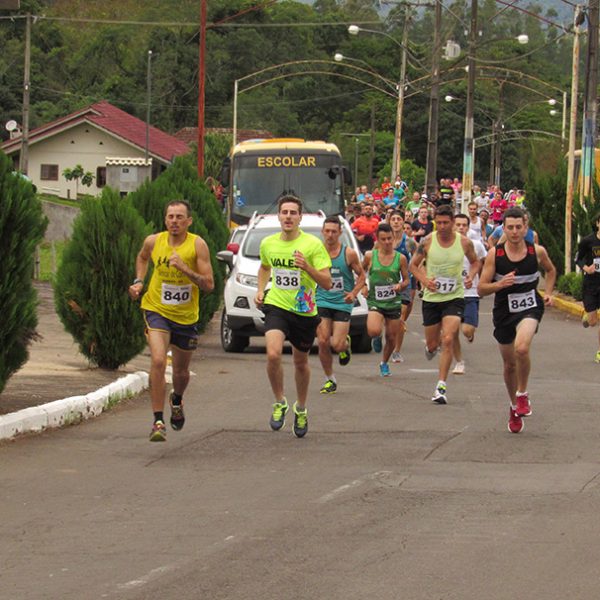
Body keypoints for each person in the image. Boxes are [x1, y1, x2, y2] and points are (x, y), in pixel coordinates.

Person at [129, 200, 214, 442]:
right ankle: (158, 421)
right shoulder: (154, 241)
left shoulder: (197, 245)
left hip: (186, 317)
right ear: (165, 220)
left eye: (179, 217)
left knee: (181, 372)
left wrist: (185, 269)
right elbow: (143, 258)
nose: (174, 221)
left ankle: (176, 398)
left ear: (189, 221)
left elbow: (209, 285)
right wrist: (138, 281)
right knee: (158, 360)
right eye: (170, 217)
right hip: (156, 308)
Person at [255, 195, 332, 438]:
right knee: (273, 353)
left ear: (300, 217)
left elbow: (327, 282)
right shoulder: (268, 243)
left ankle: (301, 407)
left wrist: (307, 267)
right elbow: (265, 266)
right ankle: (279, 402)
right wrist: (260, 289)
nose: (288, 217)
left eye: (293, 213)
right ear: (279, 216)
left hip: (304, 310)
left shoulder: (312, 245)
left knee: (300, 362)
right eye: (284, 212)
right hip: (277, 305)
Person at [478, 207, 556, 433]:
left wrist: (549, 292)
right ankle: (513, 406)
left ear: (526, 228)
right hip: (504, 311)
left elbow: (551, 271)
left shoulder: (536, 251)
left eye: (518, 227)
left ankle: (523, 394)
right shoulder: (496, 255)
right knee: (509, 364)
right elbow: (481, 288)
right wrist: (499, 285)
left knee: (522, 349)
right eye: (509, 227)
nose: (514, 232)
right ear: (503, 228)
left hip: (530, 305)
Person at [409, 204, 480, 404]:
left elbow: (475, 262)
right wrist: (425, 280)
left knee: (448, 338)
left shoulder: (464, 243)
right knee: (433, 344)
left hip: (454, 297)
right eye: (438, 223)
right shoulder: (428, 242)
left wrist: (471, 277)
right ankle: (432, 349)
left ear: (452, 223)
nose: (441, 226)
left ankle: (441, 387)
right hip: (432, 299)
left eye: (445, 223)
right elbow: (413, 266)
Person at [316, 216, 366, 394]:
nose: (330, 235)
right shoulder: (316, 251)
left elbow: (361, 276)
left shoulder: (348, 253)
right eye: (327, 231)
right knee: (322, 341)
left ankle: (345, 345)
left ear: (340, 233)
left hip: (342, 302)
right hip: (321, 299)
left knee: (337, 344)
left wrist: (353, 293)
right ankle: (330, 379)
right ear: (322, 232)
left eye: (334, 232)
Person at [363, 223, 410, 376]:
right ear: (378, 239)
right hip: (375, 300)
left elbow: (407, 280)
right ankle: (376, 337)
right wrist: (363, 285)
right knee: (373, 330)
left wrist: (400, 286)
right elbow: (361, 271)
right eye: (384, 239)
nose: (387, 242)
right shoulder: (370, 255)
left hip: (393, 301)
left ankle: (384, 362)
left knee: (391, 337)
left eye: (390, 238)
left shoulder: (400, 258)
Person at [451, 213, 488, 374]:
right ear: (453, 226)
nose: (461, 228)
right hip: (451, 294)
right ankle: (459, 362)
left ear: (468, 227)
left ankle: (469, 333)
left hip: (471, 292)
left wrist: (482, 282)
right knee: (451, 332)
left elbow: (484, 262)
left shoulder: (476, 245)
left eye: (464, 225)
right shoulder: (446, 245)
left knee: (466, 330)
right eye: (458, 225)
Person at [389, 211, 417, 363]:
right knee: (387, 319)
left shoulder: (409, 242)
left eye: (398, 219)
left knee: (400, 318)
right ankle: (382, 338)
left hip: (404, 283)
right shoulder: (384, 241)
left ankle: (397, 351)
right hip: (385, 283)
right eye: (393, 219)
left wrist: (420, 275)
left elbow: (419, 257)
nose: (396, 222)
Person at [575, 211, 600, 362]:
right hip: (591, 283)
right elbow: (578, 259)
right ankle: (587, 315)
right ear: (597, 223)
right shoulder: (587, 241)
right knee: (592, 322)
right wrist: (587, 268)